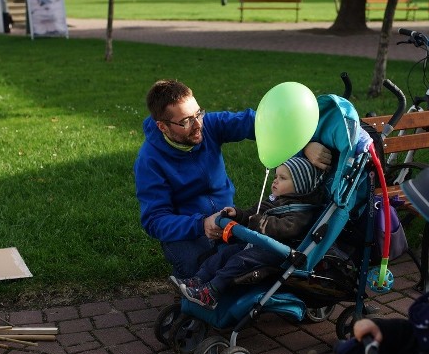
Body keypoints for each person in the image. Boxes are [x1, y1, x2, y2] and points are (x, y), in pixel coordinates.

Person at [134, 78, 332, 280]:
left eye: (198, 113)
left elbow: (261, 122)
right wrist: (201, 224)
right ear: (162, 127)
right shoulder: (149, 160)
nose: (198, 125)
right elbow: (155, 220)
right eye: (186, 121)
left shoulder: (208, 125)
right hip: (188, 233)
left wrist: (305, 143)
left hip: (226, 220)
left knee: (250, 266)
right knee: (205, 278)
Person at [172, 155, 326, 309]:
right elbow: (255, 212)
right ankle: (199, 279)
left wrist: (256, 221)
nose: (275, 180)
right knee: (225, 254)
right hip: (259, 244)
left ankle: (212, 292)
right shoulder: (276, 200)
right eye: (276, 176)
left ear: (300, 184)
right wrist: (239, 215)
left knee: (239, 261)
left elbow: (287, 229)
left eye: (283, 178)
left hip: (278, 253)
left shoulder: (301, 211)